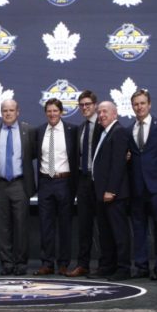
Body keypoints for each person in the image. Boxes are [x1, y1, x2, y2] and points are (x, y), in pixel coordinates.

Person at [0, 99, 36, 276]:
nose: (8, 113)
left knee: (21, 226)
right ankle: (7, 264)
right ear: (1, 112)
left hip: (20, 183)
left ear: (18, 112)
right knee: (3, 227)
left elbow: (35, 154)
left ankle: (21, 264)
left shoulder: (28, 131)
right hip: (0, 184)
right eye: (5, 110)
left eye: (11, 110)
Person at [128, 89, 157, 280]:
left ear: (149, 104)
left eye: (142, 103)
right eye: (136, 104)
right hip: (136, 186)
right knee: (139, 229)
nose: (139, 107)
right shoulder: (129, 129)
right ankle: (141, 266)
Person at [33, 98, 78, 276]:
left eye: (55, 111)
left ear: (61, 112)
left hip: (64, 182)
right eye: (49, 111)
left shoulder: (71, 130)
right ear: (46, 113)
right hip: (45, 182)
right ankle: (47, 263)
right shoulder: (40, 131)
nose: (52, 114)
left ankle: (64, 263)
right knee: (46, 225)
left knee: (65, 225)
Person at [88, 101, 131, 281]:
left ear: (115, 113)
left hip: (114, 194)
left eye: (105, 111)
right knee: (106, 233)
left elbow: (118, 164)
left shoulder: (119, 132)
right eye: (100, 112)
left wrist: (111, 190)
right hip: (101, 193)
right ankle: (108, 266)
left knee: (119, 233)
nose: (102, 115)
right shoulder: (104, 132)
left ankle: (123, 269)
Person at [66, 90, 103, 278]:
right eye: (81, 105)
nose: (85, 108)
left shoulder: (104, 125)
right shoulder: (80, 128)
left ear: (95, 105)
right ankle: (83, 264)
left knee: (103, 226)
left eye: (88, 104)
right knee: (84, 226)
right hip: (83, 181)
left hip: (100, 182)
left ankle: (105, 264)